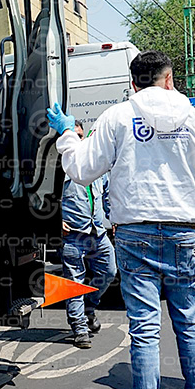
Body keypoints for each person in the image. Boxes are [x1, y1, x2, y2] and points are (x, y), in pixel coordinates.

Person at [47, 51, 195, 389]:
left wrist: (66, 135)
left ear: (132, 84)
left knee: (145, 328)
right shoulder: (193, 119)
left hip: (135, 235)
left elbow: (81, 169)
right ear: (169, 80)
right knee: (189, 323)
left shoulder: (117, 116)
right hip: (184, 233)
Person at [60, 120, 117, 349]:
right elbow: (42, 199)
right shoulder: (60, 168)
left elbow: (106, 195)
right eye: (74, 135)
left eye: (81, 135)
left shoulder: (94, 166)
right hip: (73, 234)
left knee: (109, 270)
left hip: (98, 232)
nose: (79, 139)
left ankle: (89, 307)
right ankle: (80, 329)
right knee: (74, 282)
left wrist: (114, 219)